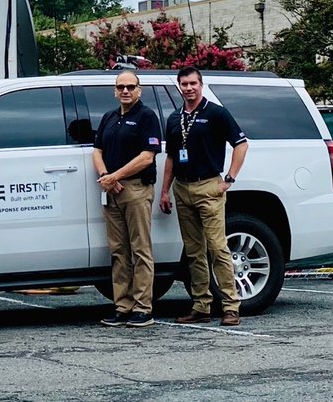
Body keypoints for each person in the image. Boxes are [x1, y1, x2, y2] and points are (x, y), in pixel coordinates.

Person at [159, 64, 249, 327]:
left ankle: (231, 306)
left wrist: (229, 178)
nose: (189, 88)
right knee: (194, 250)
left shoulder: (216, 113)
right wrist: (165, 190)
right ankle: (201, 305)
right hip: (183, 188)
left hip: (209, 186)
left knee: (217, 247)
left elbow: (241, 144)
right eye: (184, 84)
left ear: (201, 84)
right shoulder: (175, 118)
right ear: (179, 86)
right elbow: (172, 157)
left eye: (193, 84)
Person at [92, 68, 163, 328]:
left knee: (140, 249)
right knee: (119, 251)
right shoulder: (109, 117)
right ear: (114, 90)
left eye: (130, 87)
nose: (125, 91)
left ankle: (143, 308)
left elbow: (148, 156)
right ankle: (123, 306)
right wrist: (105, 176)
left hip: (135, 189)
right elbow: (96, 150)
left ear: (139, 90)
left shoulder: (147, 117)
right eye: (121, 87)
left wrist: (116, 177)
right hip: (112, 191)